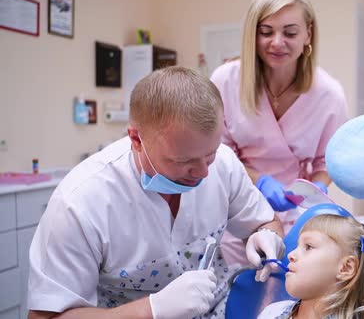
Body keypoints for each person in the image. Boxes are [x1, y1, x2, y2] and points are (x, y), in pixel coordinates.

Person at [27, 66, 285, 319]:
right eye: (183, 160)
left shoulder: (224, 165)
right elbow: (44, 317)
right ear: (136, 140)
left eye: (210, 155)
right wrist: (151, 310)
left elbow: (265, 222)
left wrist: (266, 237)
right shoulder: (80, 202)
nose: (203, 173)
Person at [210, 0, 348, 264]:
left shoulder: (328, 94)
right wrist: (258, 182)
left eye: (290, 32)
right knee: (241, 289)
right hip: (236, 204)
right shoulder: (226, 81)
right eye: (266, 31)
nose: (277, 42)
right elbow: (216, 151)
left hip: (295, 213)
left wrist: (311, 192)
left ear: (308, 33)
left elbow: (327, 163)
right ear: (253, 34)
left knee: (287, 291)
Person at [258, 214, 364, 319]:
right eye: (297, 245)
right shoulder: (272, 312)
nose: (291, 255)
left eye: (308, 247)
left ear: (345, 268)